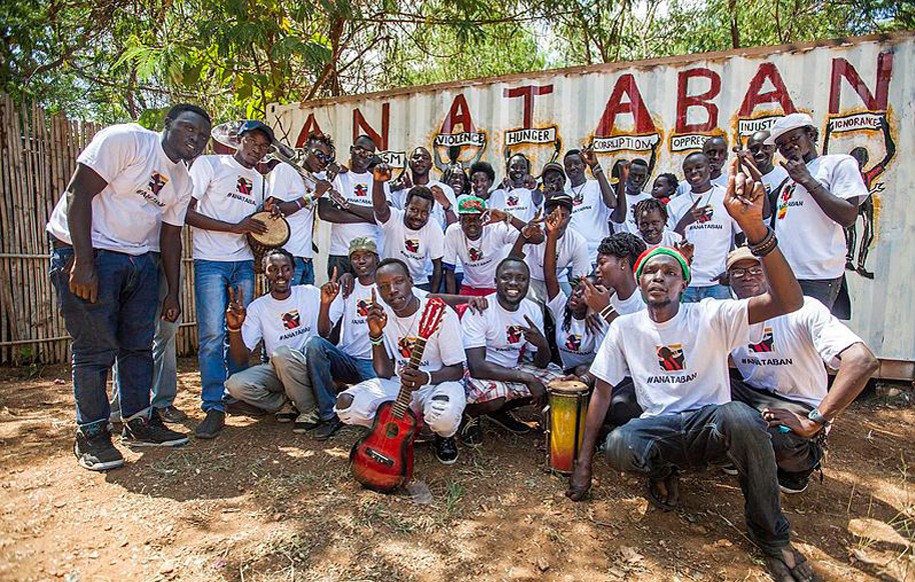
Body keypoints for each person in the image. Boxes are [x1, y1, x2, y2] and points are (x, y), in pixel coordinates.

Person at [568, 158, 818, 582]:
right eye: (650, 270)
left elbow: (789, 301)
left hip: (711, 426)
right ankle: (664, 469)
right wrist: (584, 462)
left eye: (670, 272)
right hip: (662, 426)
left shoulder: (710, 315)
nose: (658, 278)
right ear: (639, 279)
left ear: (684, 283)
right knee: (621, 445)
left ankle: (772, 539)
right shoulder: (626, 327)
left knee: (742, 417)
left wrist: (756, 229)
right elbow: (603, 393)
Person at [47, 104, 211, 470]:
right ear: (167, 125)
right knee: (95, 349)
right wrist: (83, 262)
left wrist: (171, 291)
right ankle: (91, 433)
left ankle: (137, 420)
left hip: (139, 261)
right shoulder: (127, 140)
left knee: (137, 346)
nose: (195, 139)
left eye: (202, 136)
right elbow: (78, 194)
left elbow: (171, 238)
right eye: (188, 128)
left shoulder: (183, 181)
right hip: (91, 253)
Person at [725, 246, 878, 494]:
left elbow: (862, 361)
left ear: (771, 273)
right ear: (728, 280)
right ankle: (734, 455)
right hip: (756, 398)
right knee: (703, 398)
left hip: (801, 406)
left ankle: (796, 469)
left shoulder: (804, 309)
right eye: (738, 272)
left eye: (756, 269)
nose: (748, 275)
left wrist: (814, 420)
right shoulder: (730, 316)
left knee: (775, 440)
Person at [186, 119, 273, 438]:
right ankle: (212, 404)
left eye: (263, 147)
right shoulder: (210, 165)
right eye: (252, 141)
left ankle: (236, 395)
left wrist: (266, 224)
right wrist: (234, 228)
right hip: (211, 261)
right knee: (211, 335)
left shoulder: (261, 181)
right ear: (239, 140)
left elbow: (258, 227)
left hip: (243, 263)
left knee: (240, 333)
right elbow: (186, 212)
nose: (256, 149)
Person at [335, 259, 467, 464]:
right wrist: (375, 334)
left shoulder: (438, 313)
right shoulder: (381, 315)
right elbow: (383, 372)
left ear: (411, 281)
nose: (392, 290)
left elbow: (457, 370)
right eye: (384, 286)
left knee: (443, 415)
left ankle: (444, 436)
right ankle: (404, 430)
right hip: (401, 384)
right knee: (346, 404)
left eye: (398, 282)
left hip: (439, 382)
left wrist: (426, 377)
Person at [219, 249, 336, 439]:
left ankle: (310, 409)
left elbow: (325, 333)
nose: (280, 275)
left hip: (311, 367)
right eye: (273, 269)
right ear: (264, 272)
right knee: (235, 384)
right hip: (280, 369)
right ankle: (286, 402)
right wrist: (234, 329)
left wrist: (325, 305)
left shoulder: (309, 293)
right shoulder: (258, 307)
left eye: (286, 269)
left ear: (293, 271)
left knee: (281, 355)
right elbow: (240, 359)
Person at [767, 113, 868, 314]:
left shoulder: (837, 164)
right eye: (781, 144)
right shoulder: (787, 180)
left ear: (811, 134)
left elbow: (848, 217)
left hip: (818, 276)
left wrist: (807, 180)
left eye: (794, 138)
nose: (787, 146)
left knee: (811, 340)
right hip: (786, 275)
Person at [461, 258, 561, 445]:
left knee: (558, 382)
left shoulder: (532, 309)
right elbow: (477, 367)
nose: (513, 283)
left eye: (520, 278)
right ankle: (469, 416)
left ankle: (498, 412)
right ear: (495, 281)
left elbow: (541, 363)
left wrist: (542, 345)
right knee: (496, 395)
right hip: (479, 370)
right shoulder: (481, 309)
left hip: (512, 366)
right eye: (506, 277)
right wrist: (528, 378)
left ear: (527, 282)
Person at [302, 238, 383, 439]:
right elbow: (323, 332)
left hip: (375, 363)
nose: (361, 261)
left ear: (376, 259)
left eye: (367, 256)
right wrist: (325, 304)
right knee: (314, 345)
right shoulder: (347, 288)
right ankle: (329, 414)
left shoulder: (386, 286)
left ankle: (351, 394)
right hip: (347, 359)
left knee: (381, 408)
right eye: (356, 257)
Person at [823, 117, 895, 280]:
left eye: (862, 160)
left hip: (865, 201)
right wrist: (828, 133)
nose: (859, 162)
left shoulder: (866, 176)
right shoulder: (843, 174)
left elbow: (890, 154)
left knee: (867, 233)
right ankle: (848, 259)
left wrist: (885, 128)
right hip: (852, 201)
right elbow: (824, 157)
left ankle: (860, 264)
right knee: (850, 232)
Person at [265, 132, 338, 285]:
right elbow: (272, 209)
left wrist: (335, 171)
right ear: (305, 150)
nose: (322, 161)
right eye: (318, 154)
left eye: (327, 158)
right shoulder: (285, 170)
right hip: (286, 257)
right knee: (286, 307)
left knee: (306, 307)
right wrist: (312, 196)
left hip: (306, 257)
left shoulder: (313, 180)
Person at [667, 151, 740, 302]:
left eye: (698, 167)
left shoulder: (726, 198)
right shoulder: (675, 205)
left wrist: (733, 269)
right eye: (688, 170)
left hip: (718, 282)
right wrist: (685, 221)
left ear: (710, 168)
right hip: (686, 283)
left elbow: (741, 236)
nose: (693, 172)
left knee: (720, 326)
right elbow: (669, 244)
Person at [318, 134, 388, 277]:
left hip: (369, 253)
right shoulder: (335, 176)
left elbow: (383, 216)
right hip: (340, 253)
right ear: (351, 149)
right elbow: (325, 213)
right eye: (360, 149)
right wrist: (368, 215)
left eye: (369, 153)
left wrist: (346, 206)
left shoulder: (379, 181)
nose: (363, 155)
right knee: (337, 296)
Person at [371, 164, 444, 292]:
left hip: (419, 282)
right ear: (405, 205)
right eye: (414, 210)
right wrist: (378, 182)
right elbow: (380, 209)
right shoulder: (394, 218)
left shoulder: (433, 226)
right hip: (390, 282)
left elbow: (438, 265)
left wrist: (433, 296)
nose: (418, 216)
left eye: (424, 212)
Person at [442, 196, 531, 296]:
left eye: (477, 218)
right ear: (460, 220)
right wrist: (454, 304)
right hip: (470, 287)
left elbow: (532, 237)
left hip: (496, 287)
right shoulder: (453, 231)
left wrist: (508, 217)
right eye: (467, 219)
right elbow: (449, 270)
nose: (472, 223)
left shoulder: (497, 228)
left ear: (485, 218)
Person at [512, 193, 590, 304]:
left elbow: (580, 280)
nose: (556, 219)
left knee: (566, 310)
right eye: (551, 214)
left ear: (569, 219)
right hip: (532, 279)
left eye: (562, 216)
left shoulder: (578, 241)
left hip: (559, 279)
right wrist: (524, 235)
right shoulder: (534, 233)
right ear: (544, 216)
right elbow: (514, 260)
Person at [563, 147, 616, 260]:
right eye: (568, 165)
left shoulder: (597, 185)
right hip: (575, 257)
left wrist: (596, 167)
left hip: (600, 254)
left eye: (576, 163)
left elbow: (612, 203)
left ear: (584, 165)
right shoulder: (564, 195)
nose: (572, 167)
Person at [390, 146, 458, 230]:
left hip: (435, 241)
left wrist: (446, 204)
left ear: (430, 165)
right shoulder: (400, 193)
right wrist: (392, 188)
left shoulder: (445, 190)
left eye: (425, 158)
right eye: (416, 157)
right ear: (410, 163)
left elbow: (455, 226)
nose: (420, 160)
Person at [489, 153, 540, 223]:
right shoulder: (496, 194)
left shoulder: (533, 192)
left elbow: (539, 199)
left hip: (525, 233)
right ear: (507, 170)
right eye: (514, 167)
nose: (518, 170)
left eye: (523, 167)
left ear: (528, 171)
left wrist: (534, 187)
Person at [610, 159, 652, 234]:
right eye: (633, 175)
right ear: (626, 174)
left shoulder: (651, 200)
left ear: (647, 178)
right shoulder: (614, 199)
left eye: (641, 176)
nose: (636, 179)